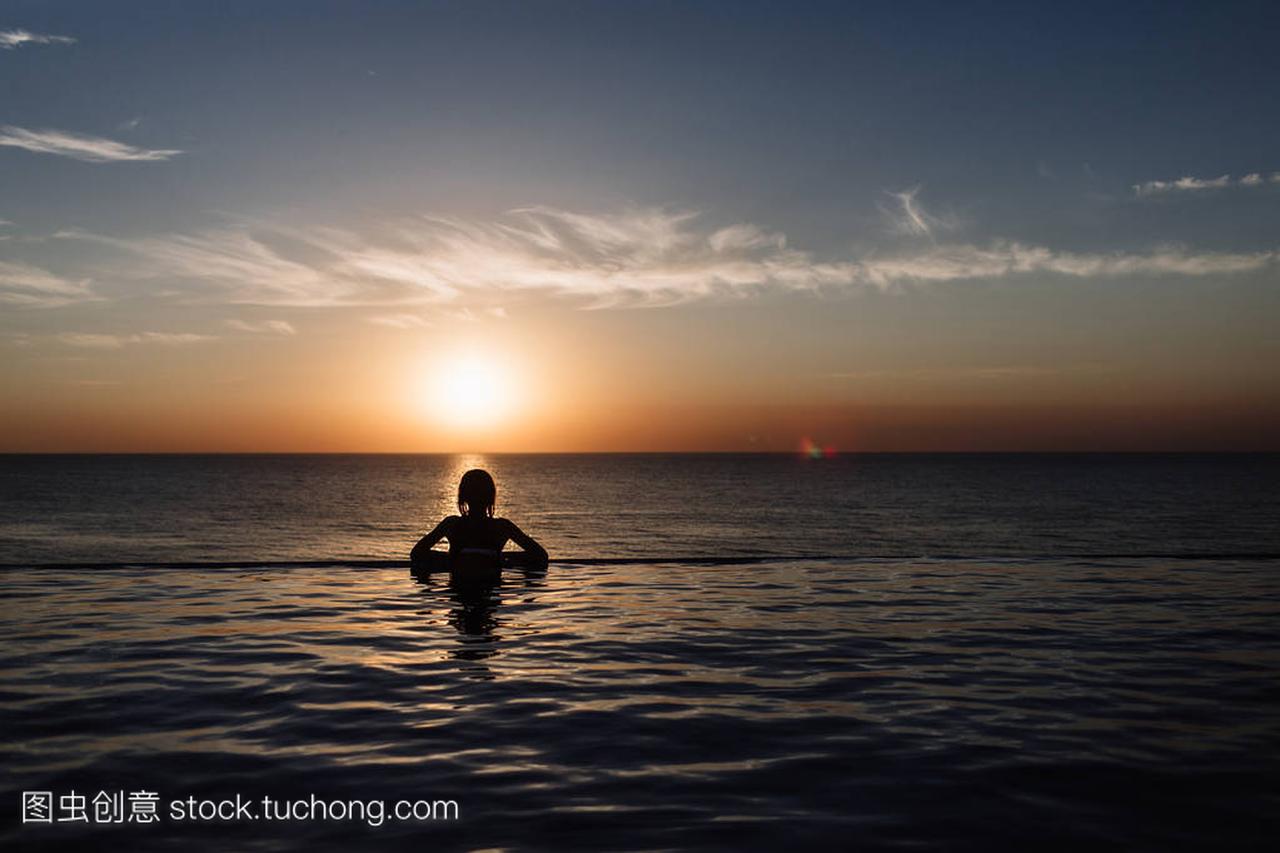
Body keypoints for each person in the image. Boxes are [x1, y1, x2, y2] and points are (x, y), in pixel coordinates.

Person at [410, 469, 548, 582]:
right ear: (491, 496)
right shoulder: (502, 526)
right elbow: (540, 556)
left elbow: (417, 553)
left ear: (463, 496)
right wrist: (500, 558)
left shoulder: (451, 524)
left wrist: (454, 559)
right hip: (490, 602)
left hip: (459, 601)